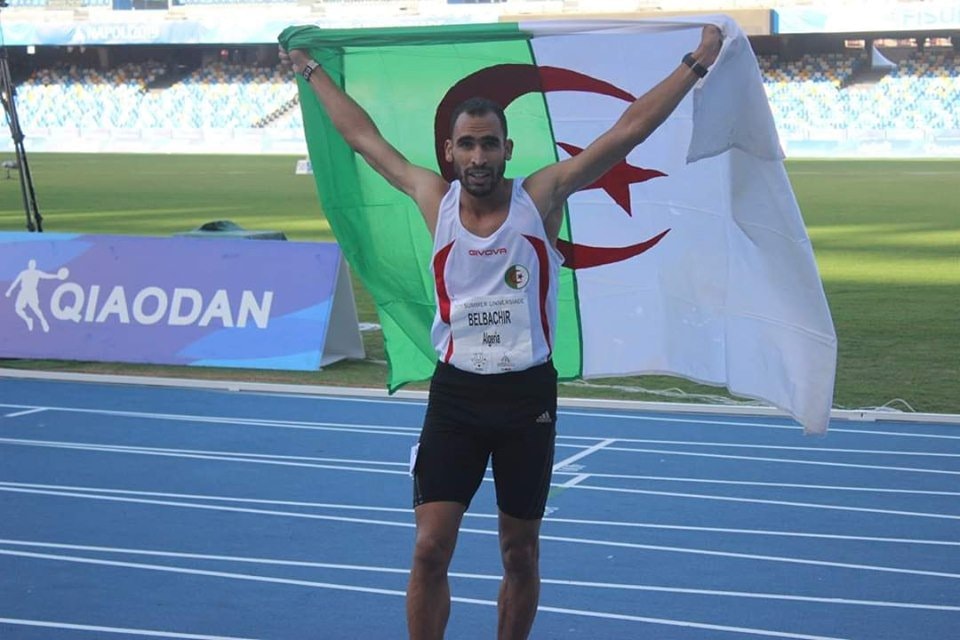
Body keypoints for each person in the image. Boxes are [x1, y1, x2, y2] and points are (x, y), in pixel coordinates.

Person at [280, 24, 722, 640]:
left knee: (520, 553)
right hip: (457, 397)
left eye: (490, 145)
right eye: (468, 146)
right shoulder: (432, 198)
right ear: (450, 150)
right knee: (430, 549)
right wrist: (310, 70)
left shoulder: (540, 196)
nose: (479, 157)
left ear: (507, 149)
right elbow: (363, 138)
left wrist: (695, 64)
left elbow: (625, 134)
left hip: (525, 400)